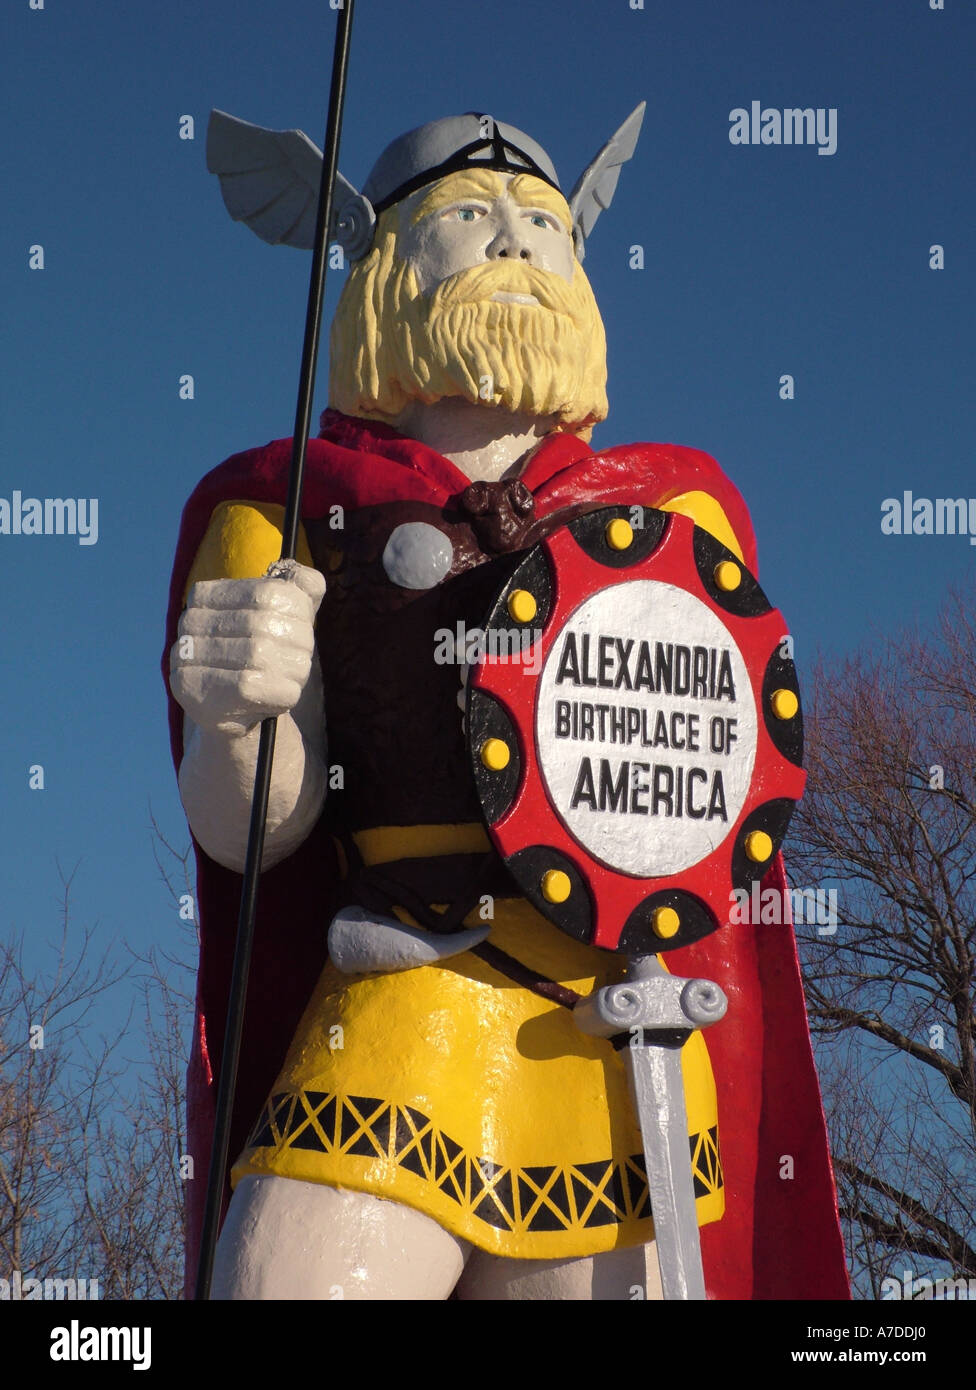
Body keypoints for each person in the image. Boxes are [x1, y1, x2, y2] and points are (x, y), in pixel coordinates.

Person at [164, 110, 849, 1300]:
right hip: (397, 996)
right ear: (383, 264)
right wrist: (237, 711)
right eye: (470, 220)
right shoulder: (281, 512)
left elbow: (728, 784)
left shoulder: (680, 514)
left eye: (542, 224)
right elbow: (256, 839)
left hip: (623, 1019)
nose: (517, 246)